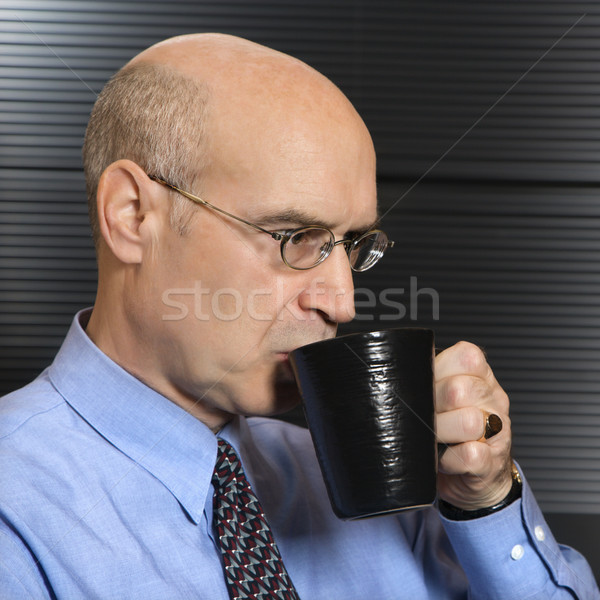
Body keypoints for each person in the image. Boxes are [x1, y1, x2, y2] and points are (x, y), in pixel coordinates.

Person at [0, 33, 597, 599]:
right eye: (293, 236)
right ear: (132, 216)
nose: (342, 303)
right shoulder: (15, 507)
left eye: (352, 243)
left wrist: (485, 501)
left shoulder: (372, 484)